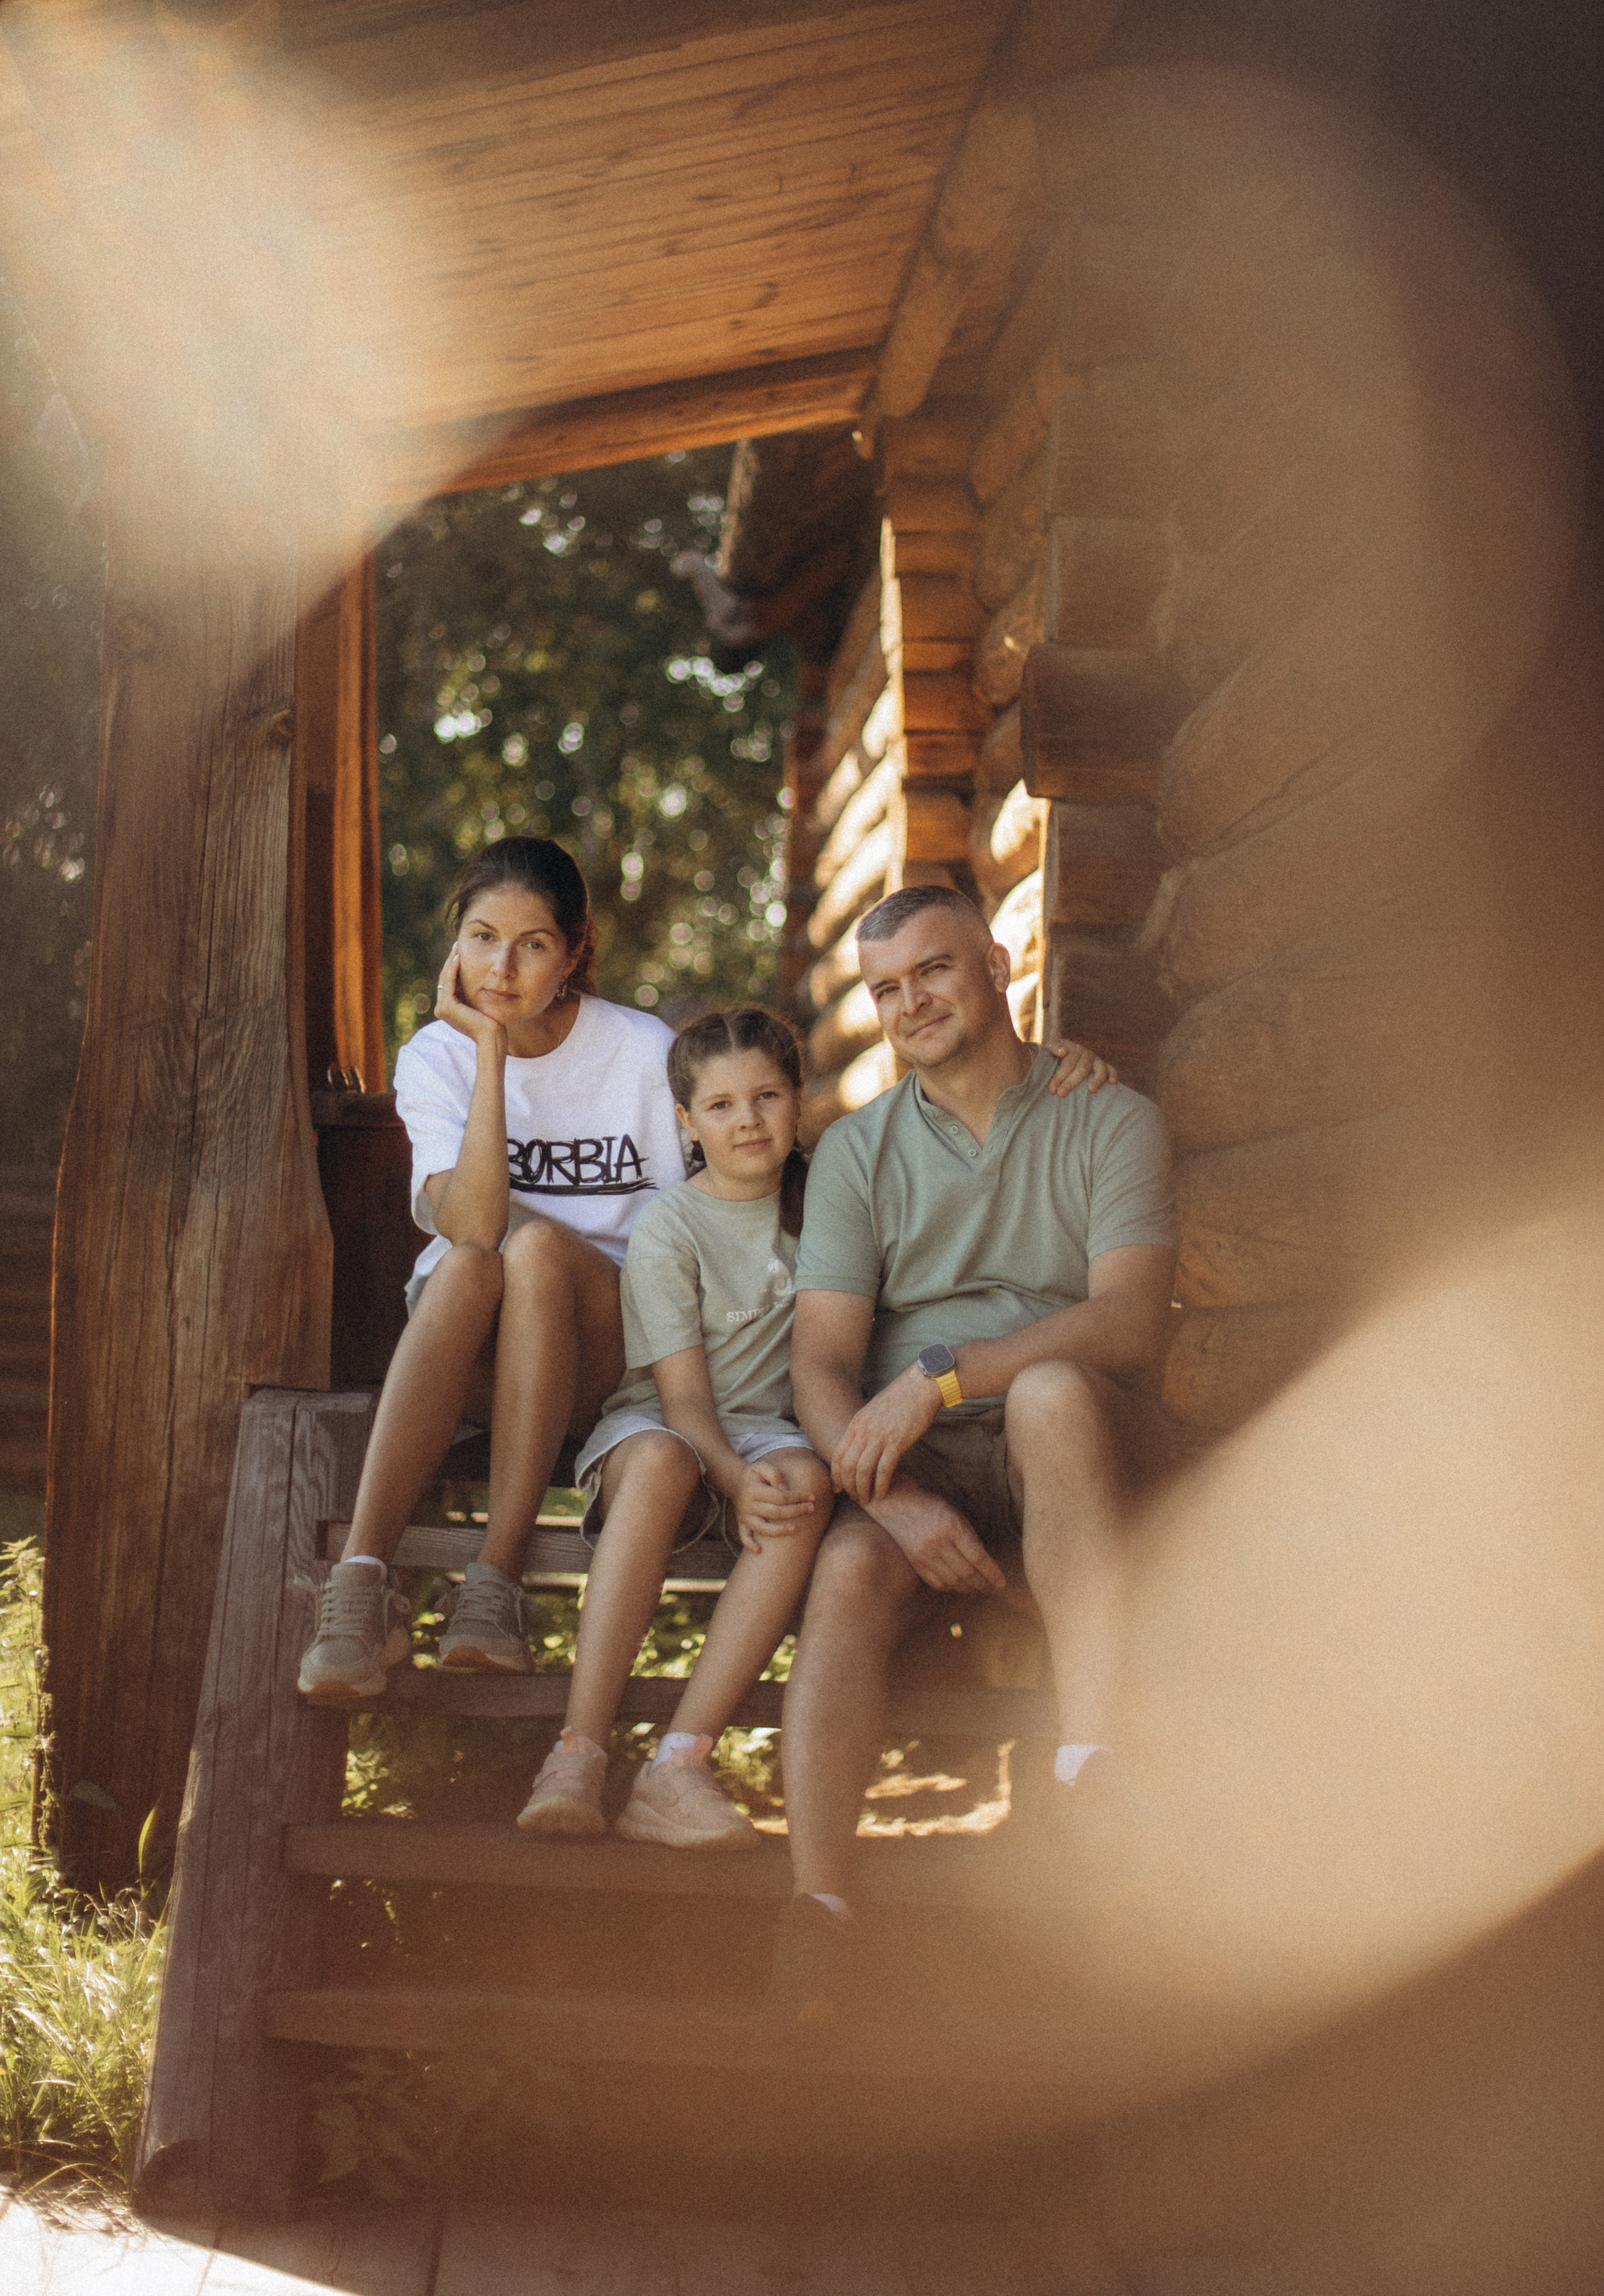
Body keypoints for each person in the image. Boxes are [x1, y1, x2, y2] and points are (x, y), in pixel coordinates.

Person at [772, 881, 1175, 2024]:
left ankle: (1091, 1779)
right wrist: (895, 1506)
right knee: (849, 1569)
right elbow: (819, 1366)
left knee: (1050, 1390)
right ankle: (818, 1911)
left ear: (997, 965)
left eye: (933, 970)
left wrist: (943, 1373)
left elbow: (1129, 1323)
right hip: (919, 1459)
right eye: (885, 989)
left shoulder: (1109, 1119)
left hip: (1069, 1444)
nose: (909, 1004)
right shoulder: (857, 1152)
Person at [298, 836, 685, 1696]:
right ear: (456, 944)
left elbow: (689, 1235)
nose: (500, 968)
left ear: (574, 954)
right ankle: (361, 1585)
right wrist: (486, 1053)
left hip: (608, 1352)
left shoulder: (642, 1052)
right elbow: (470, 1229)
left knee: (535, 1249)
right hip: (474, 1354)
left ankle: (495, 1584)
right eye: (481, 938)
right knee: (473, 1267)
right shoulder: (436, 1056)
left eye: (532, 944)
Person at [516, 1006, 832, 1851]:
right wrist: (730, 1475)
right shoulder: (671, 1224)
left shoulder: (828, 1206)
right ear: (687, 1123)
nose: (748, 1121)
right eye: (721, 1106)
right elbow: (684, 1398)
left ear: (797, 1099)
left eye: (766, 1097)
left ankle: (678, 1766)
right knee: (662, 1460)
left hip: (770, 1430)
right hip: (663, 1420)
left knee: (806, 1485)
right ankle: (577, 1752)